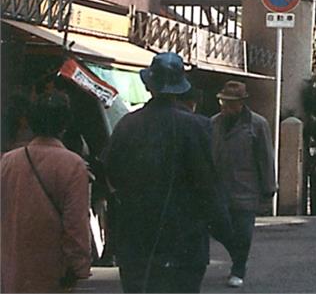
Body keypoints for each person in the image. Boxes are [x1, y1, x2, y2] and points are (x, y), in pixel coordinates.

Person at [104, 52, 231, 293]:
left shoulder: (127, 125)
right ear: (181, 89)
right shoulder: (198, 126)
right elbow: (208, 184)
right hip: (185, 241)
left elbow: (110, 172)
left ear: (149, 86)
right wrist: (226, 231)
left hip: (137, 239)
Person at [1, 91, 92, 292]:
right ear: (65, 125)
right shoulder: (73, 165)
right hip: (51, 272)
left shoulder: (8, 161)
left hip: (12, 270)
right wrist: (79, 266)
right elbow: (76, 223)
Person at [211, 81, 277, 288]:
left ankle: (238, 267)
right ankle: (237, 256)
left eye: (231, 103)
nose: (226, 107)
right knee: (218, 228)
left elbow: (266, 158)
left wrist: (269, 189)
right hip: (219, 188)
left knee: (244, 232)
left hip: (247, 188)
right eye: (223, 102)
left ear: (241, 103)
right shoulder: (213, 123)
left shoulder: (257, 124)